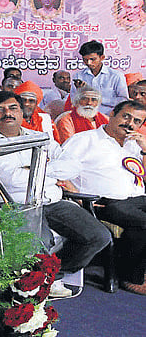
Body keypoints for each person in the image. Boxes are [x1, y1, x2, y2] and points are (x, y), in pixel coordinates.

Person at [0, 91, 111, 295]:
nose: (8, 114)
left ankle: (52, 278)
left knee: (99, 236)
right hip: (16, 206)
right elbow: (11, 180)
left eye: (13, 108)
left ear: (21, 112)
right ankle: (29, 288)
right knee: (40, 241)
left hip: (52, 201)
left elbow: (73, 165)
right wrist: (50, 168)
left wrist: (32, 170)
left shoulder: (38, 136)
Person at [49, 100, 146, 294]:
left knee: (139, 225)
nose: (130, 124)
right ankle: (131, 278)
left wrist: (144, 150)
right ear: (111, 114)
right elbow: (58, 170)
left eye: (137, 121)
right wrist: (76, 196)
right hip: (106, 202)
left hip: (138, 198)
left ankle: (132, 271)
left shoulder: (134, 145)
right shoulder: (85, 140)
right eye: (126, 116)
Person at [71, 40, 128, 115]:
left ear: (102, 57)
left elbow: (123, 101)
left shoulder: (116, 76)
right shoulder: (78, 76)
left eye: (92, 59)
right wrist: (80, 92)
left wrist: (99, 99)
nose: (88, 63)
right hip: (85, 117)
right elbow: (73, 101)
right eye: (85, 60)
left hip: (109, 117)